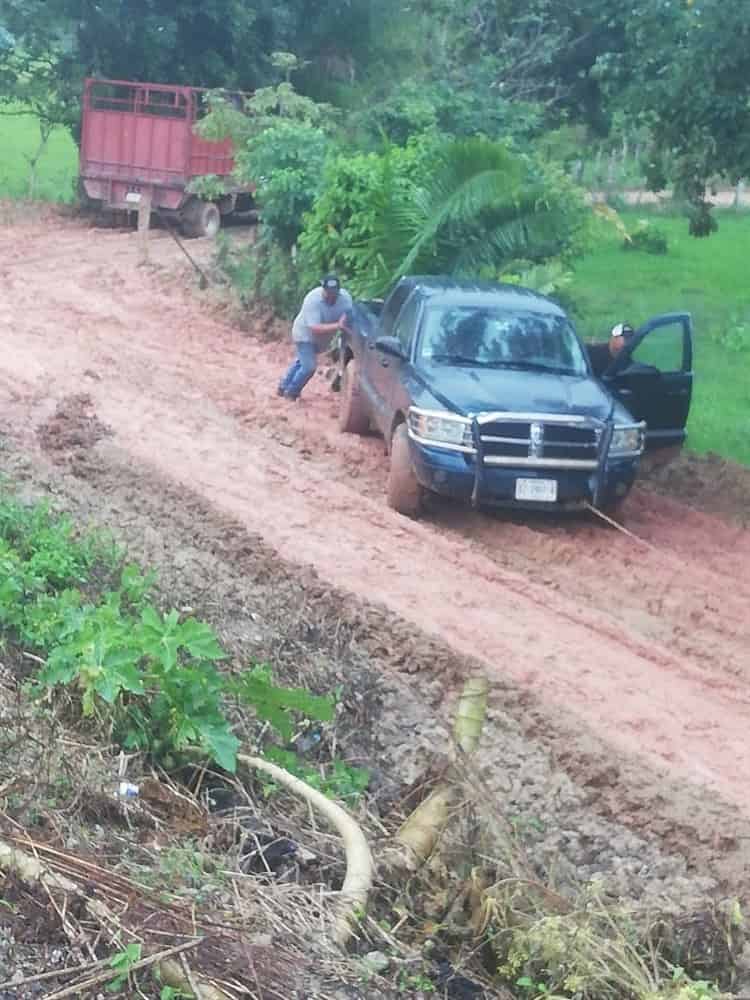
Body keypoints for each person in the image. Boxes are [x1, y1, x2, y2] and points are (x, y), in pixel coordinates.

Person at [278, 275, 353, 400]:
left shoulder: (345, 299)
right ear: (323, 289)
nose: (331, 295)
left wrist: (345, 319)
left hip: (321, 340)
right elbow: (314, 328)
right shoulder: (313, 299)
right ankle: (291, 392)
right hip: (304, 334)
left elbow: (349, 313)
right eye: (328, 292)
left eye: (335, 292)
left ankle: (283, 386)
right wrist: (338, 325)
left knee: (302, 362)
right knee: (309, 367)